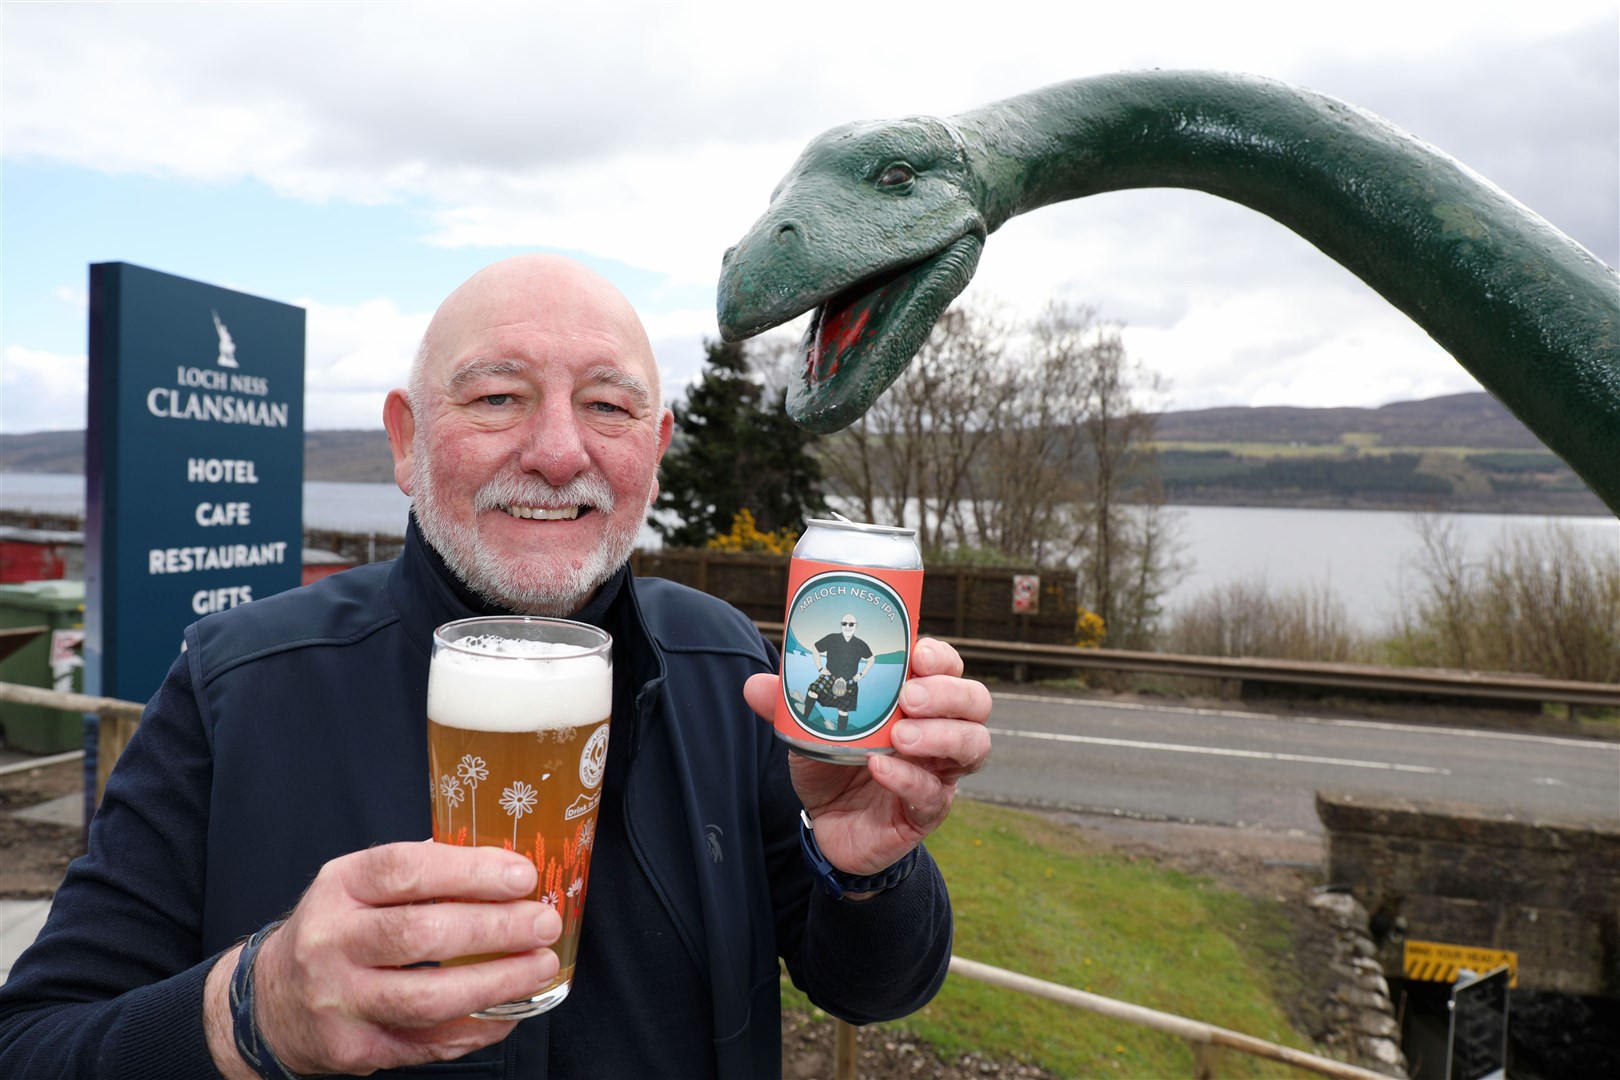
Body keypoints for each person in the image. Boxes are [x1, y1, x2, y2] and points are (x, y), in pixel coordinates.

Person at [0, 254, 993, 1079]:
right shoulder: (239, 683)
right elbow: (33, 1043)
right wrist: (252, 1009)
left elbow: (874, 986)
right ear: (406, 439)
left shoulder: (727, 664)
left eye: (606, 406)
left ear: (654, 450)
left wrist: (870, 867)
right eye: (497, 396)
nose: (558, 452)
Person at [803, 613, 874, 733]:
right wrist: (820, 668)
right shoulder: (832, 638)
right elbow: (815, 648)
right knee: (813, 690)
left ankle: (840, 736)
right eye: (844, 623)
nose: (847, 626)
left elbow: (871, 658)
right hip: (830, 676)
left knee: (843, 710)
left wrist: (861, 675)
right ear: (841, 625)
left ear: (856, 626)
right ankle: (803, 719)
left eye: (851, 624)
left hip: (849, 681)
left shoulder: (860, 644)